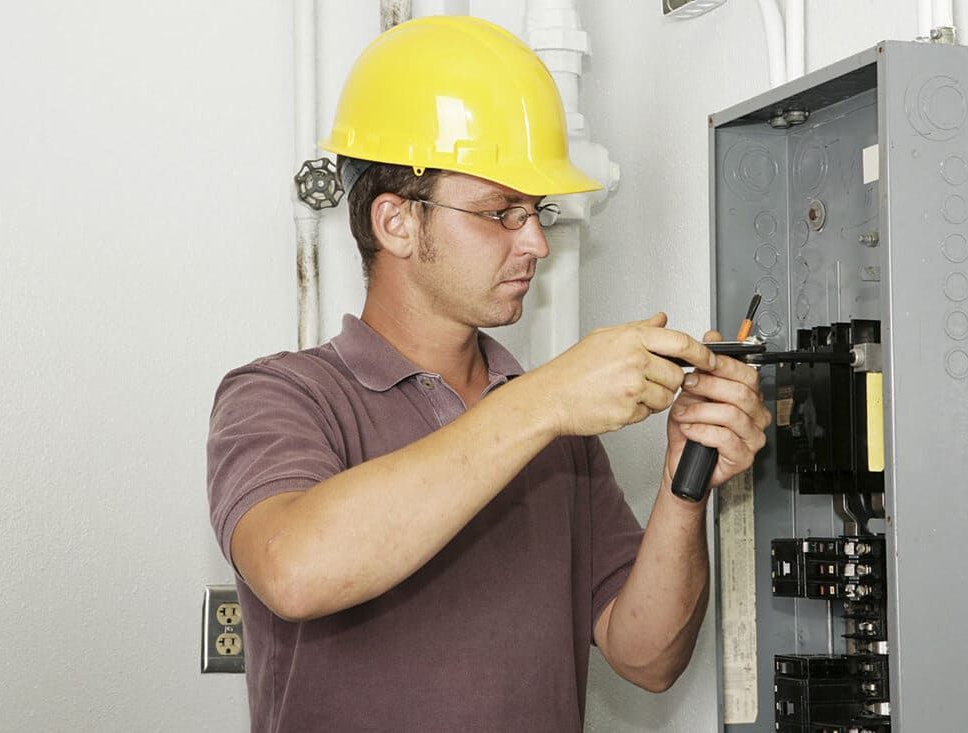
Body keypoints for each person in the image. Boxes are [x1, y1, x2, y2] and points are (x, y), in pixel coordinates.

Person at [207, 15, 770, 733]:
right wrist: (545, 400)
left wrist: (684, 481)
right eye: (501, 212)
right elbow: (294, 567)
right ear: (396, 222)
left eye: (538, 211)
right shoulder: (281, 397)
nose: (535, 241)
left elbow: (647, 656)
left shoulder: (554, 428)